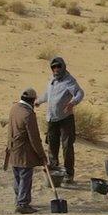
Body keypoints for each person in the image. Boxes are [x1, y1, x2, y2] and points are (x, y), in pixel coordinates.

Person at [35, 56, 84, 184]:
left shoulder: (69, 80)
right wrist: (38, 101)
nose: (56, 69)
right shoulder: (52, 79)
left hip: (65, 119)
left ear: (63, 67)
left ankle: (68, 173)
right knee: (52, 145)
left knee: (67, 146)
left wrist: (72, 103)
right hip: (51, 118)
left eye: (58, 66)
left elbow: (80, 93)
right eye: (53, 67)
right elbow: (48, 94)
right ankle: (54, 171)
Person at [4, 88, 48, 214]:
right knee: (25, 177)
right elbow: (34, 138)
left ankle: (18, 200)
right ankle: (23, 204)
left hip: (13, 148)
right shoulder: (28, 114)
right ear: (33, 100)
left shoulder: (14, 108)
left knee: (17, 177)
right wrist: (41, 155)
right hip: (24, 152)